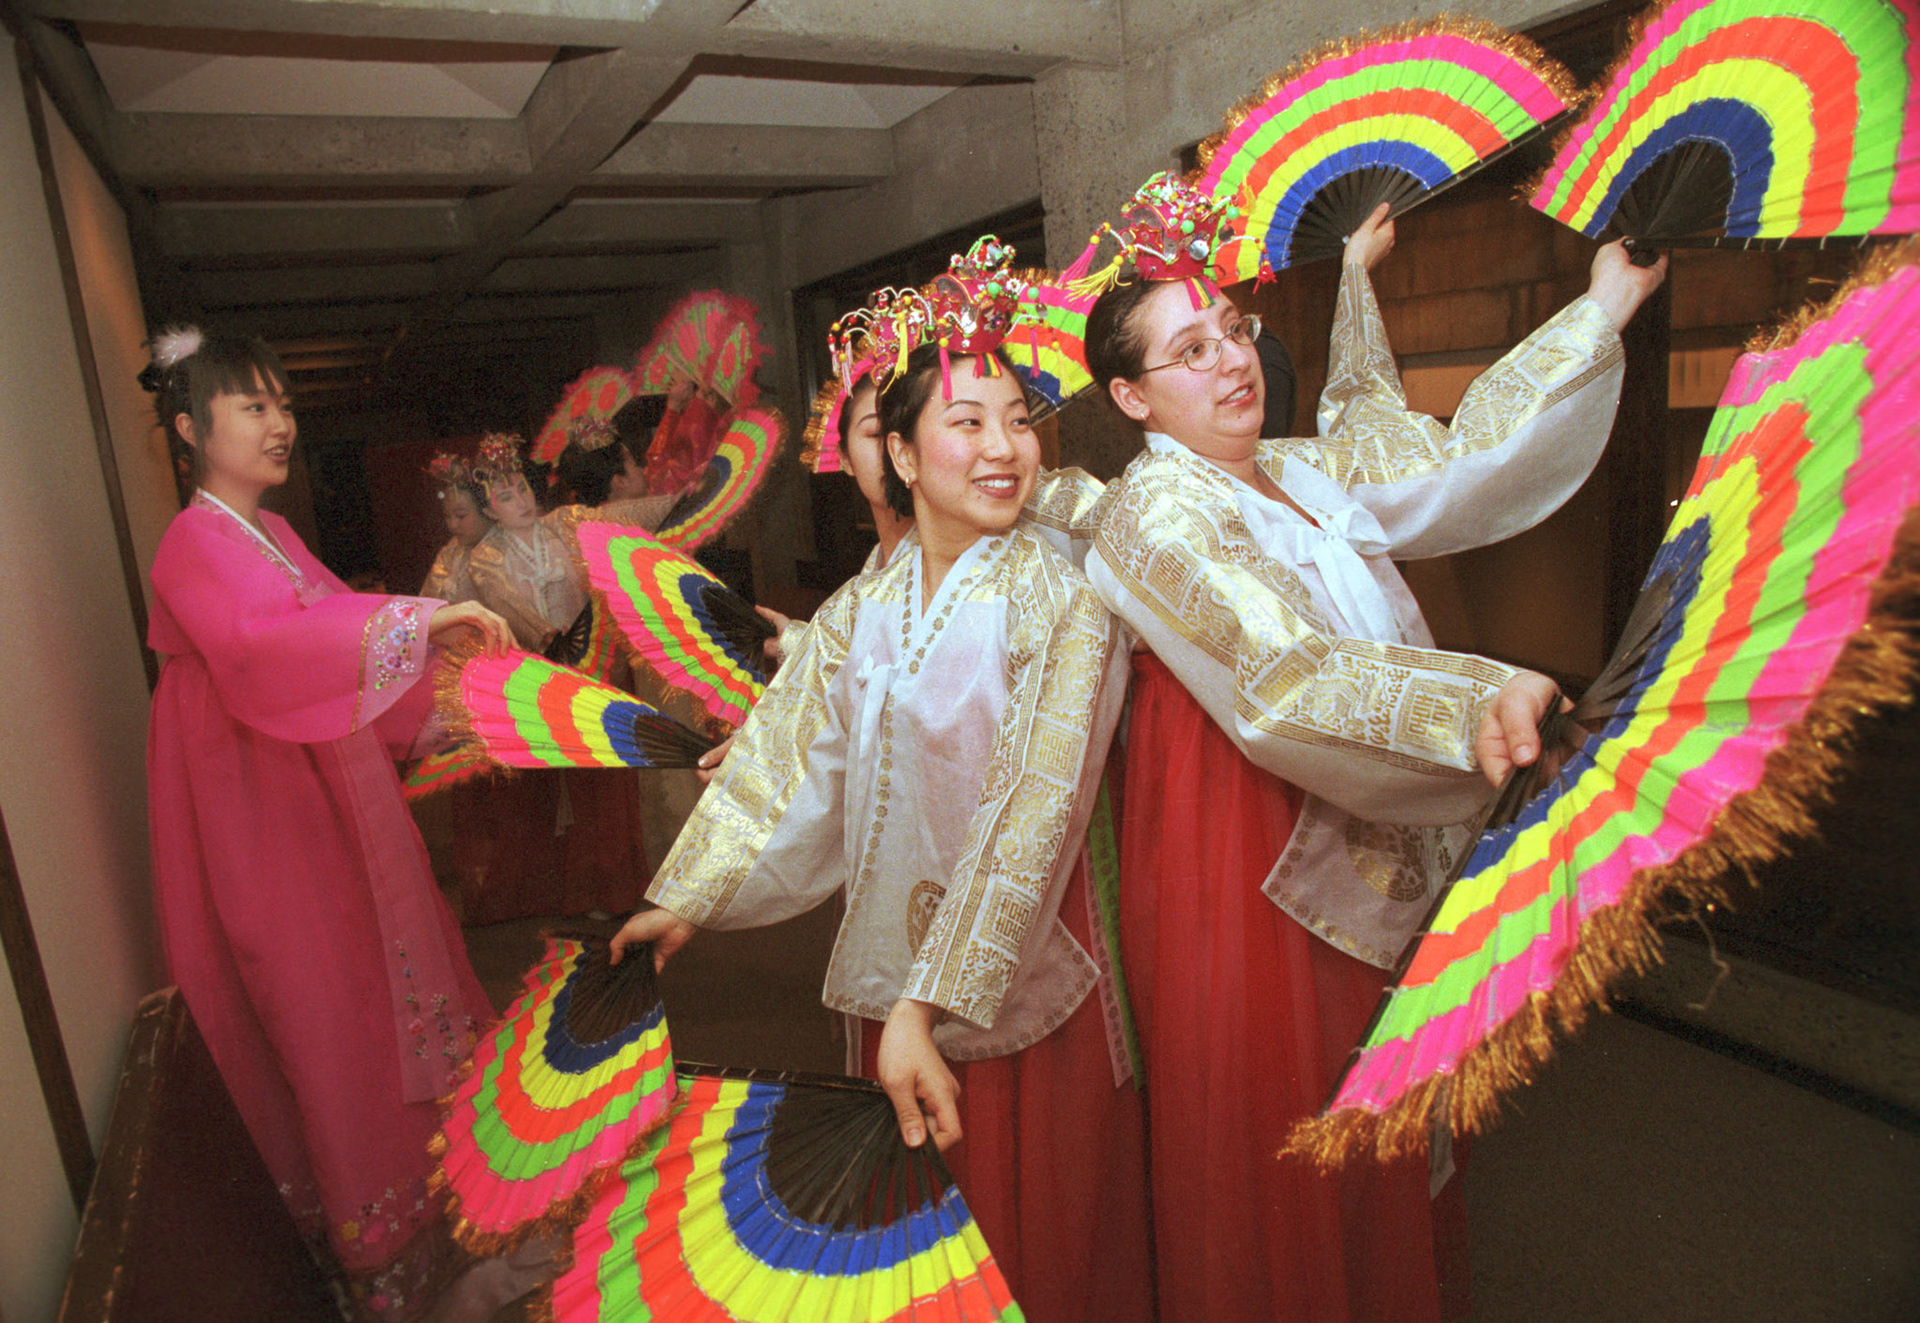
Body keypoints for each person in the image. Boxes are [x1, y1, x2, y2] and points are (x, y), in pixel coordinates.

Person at [1078, 178, 1667, 1323]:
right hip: (1236, 859)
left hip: (1358, 813)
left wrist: (1603, 306)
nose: (1231, 363)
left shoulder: (1297, 470)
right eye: (1188, 351)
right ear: (1131, 398)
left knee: (1372, 1089)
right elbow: (1280, 674)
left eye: (1234, 333)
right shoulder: (1149, 518)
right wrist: (1477, 702)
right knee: (1278, 1123)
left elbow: (1453, 461)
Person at [612, 254, 1151, 1322]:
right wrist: (690, 899)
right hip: (890, 973)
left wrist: (929, 999)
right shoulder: (867, 606)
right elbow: (794, 764)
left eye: (1018, 420)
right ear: (900, 453)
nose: (1004, 447)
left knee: (1030, 1241)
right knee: (915, 1248)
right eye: (968, 423)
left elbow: (1033, 807)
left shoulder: (1063, 587)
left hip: (1026, 958)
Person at [139, 327, 556, 1321]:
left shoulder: (273, 536)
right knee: (330, 1015)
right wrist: (420, 621)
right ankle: (406, 1282)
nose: (280, 422)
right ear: (191, 428)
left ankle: (463, 1250)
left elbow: (341, 643)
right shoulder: (191, 542)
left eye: (284, 403)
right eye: (252, 405)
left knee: (392, 996)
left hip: (324, 793)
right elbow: (261, 649)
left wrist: (472, 699)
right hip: (264, 814)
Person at [460, 430, 682, 923]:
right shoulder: (485, 558)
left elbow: (622, 517)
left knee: (618, 780)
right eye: (505, 496)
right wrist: (550, 637)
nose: (519, 500)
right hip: (549, 679)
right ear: (491, 510)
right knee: (580, 789)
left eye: (520, 488)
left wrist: (679, 499)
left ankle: (623, 885)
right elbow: (511, 609)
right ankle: (586, 889)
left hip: (602, 665)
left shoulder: (564, 523)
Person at [419, 452, 489, 602]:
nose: (452, 525)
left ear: (486, 511)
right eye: (447, 516)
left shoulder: (506, 548)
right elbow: (430, 604)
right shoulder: (450, 553)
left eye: (461, 516)